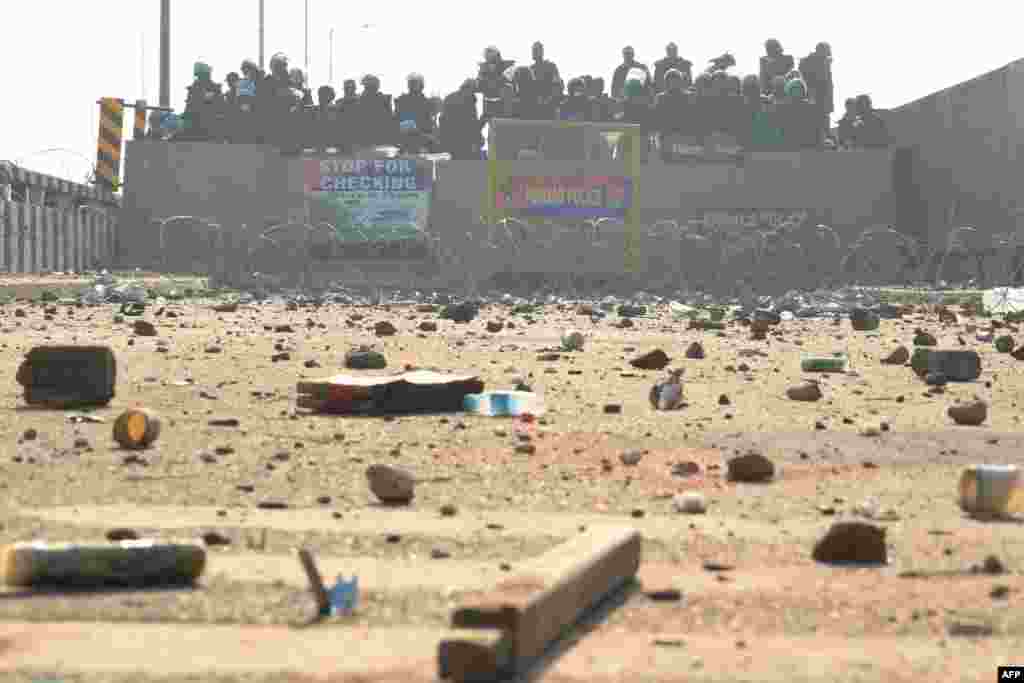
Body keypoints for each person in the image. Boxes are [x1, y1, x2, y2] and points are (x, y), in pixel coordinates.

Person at [440, 78, 484, 160]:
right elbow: (470, 124)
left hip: (448, 142)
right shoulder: (468, 100)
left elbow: (443, 120)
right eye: (474, 90)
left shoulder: (449, 97)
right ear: (470, 88)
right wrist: (478, 138)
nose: (474, 93)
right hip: (464, 144)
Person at [180, 61, 224, 142]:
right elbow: (189, 107)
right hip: (194, 126)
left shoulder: (214, 88)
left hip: (209, 127)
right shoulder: (193, 89)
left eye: (200, 75)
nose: (198, 78)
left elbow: (219, 107)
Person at [394, 73, 437, 153]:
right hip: (414, 138)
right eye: (411, 83)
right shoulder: (426, 102)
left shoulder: (402, 100)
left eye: (413, 83)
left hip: (410, 138)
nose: (411, 86)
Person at [799, 42, 834, 141]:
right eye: (826, 52)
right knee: (816, 122)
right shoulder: (808, 61)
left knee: (824, 122)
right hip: (814, 97)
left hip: (822, 98)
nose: (828, 55)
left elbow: (827, 82)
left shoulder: (823, 61)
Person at [356, 74, 396, 148]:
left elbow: (390, 119)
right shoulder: (360, 99)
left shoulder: (383, 99)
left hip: (378, 137)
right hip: (367, 138)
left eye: (371, 86)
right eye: (368, 86)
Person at [529, 42, 562, 117]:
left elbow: (557, 86)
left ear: (542, 52)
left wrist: (548, 100)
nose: (533, 52)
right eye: (533, 50)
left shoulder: (551, 67)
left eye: (536, 50)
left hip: (549, 106)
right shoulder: (531, 69)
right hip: (534, 106)